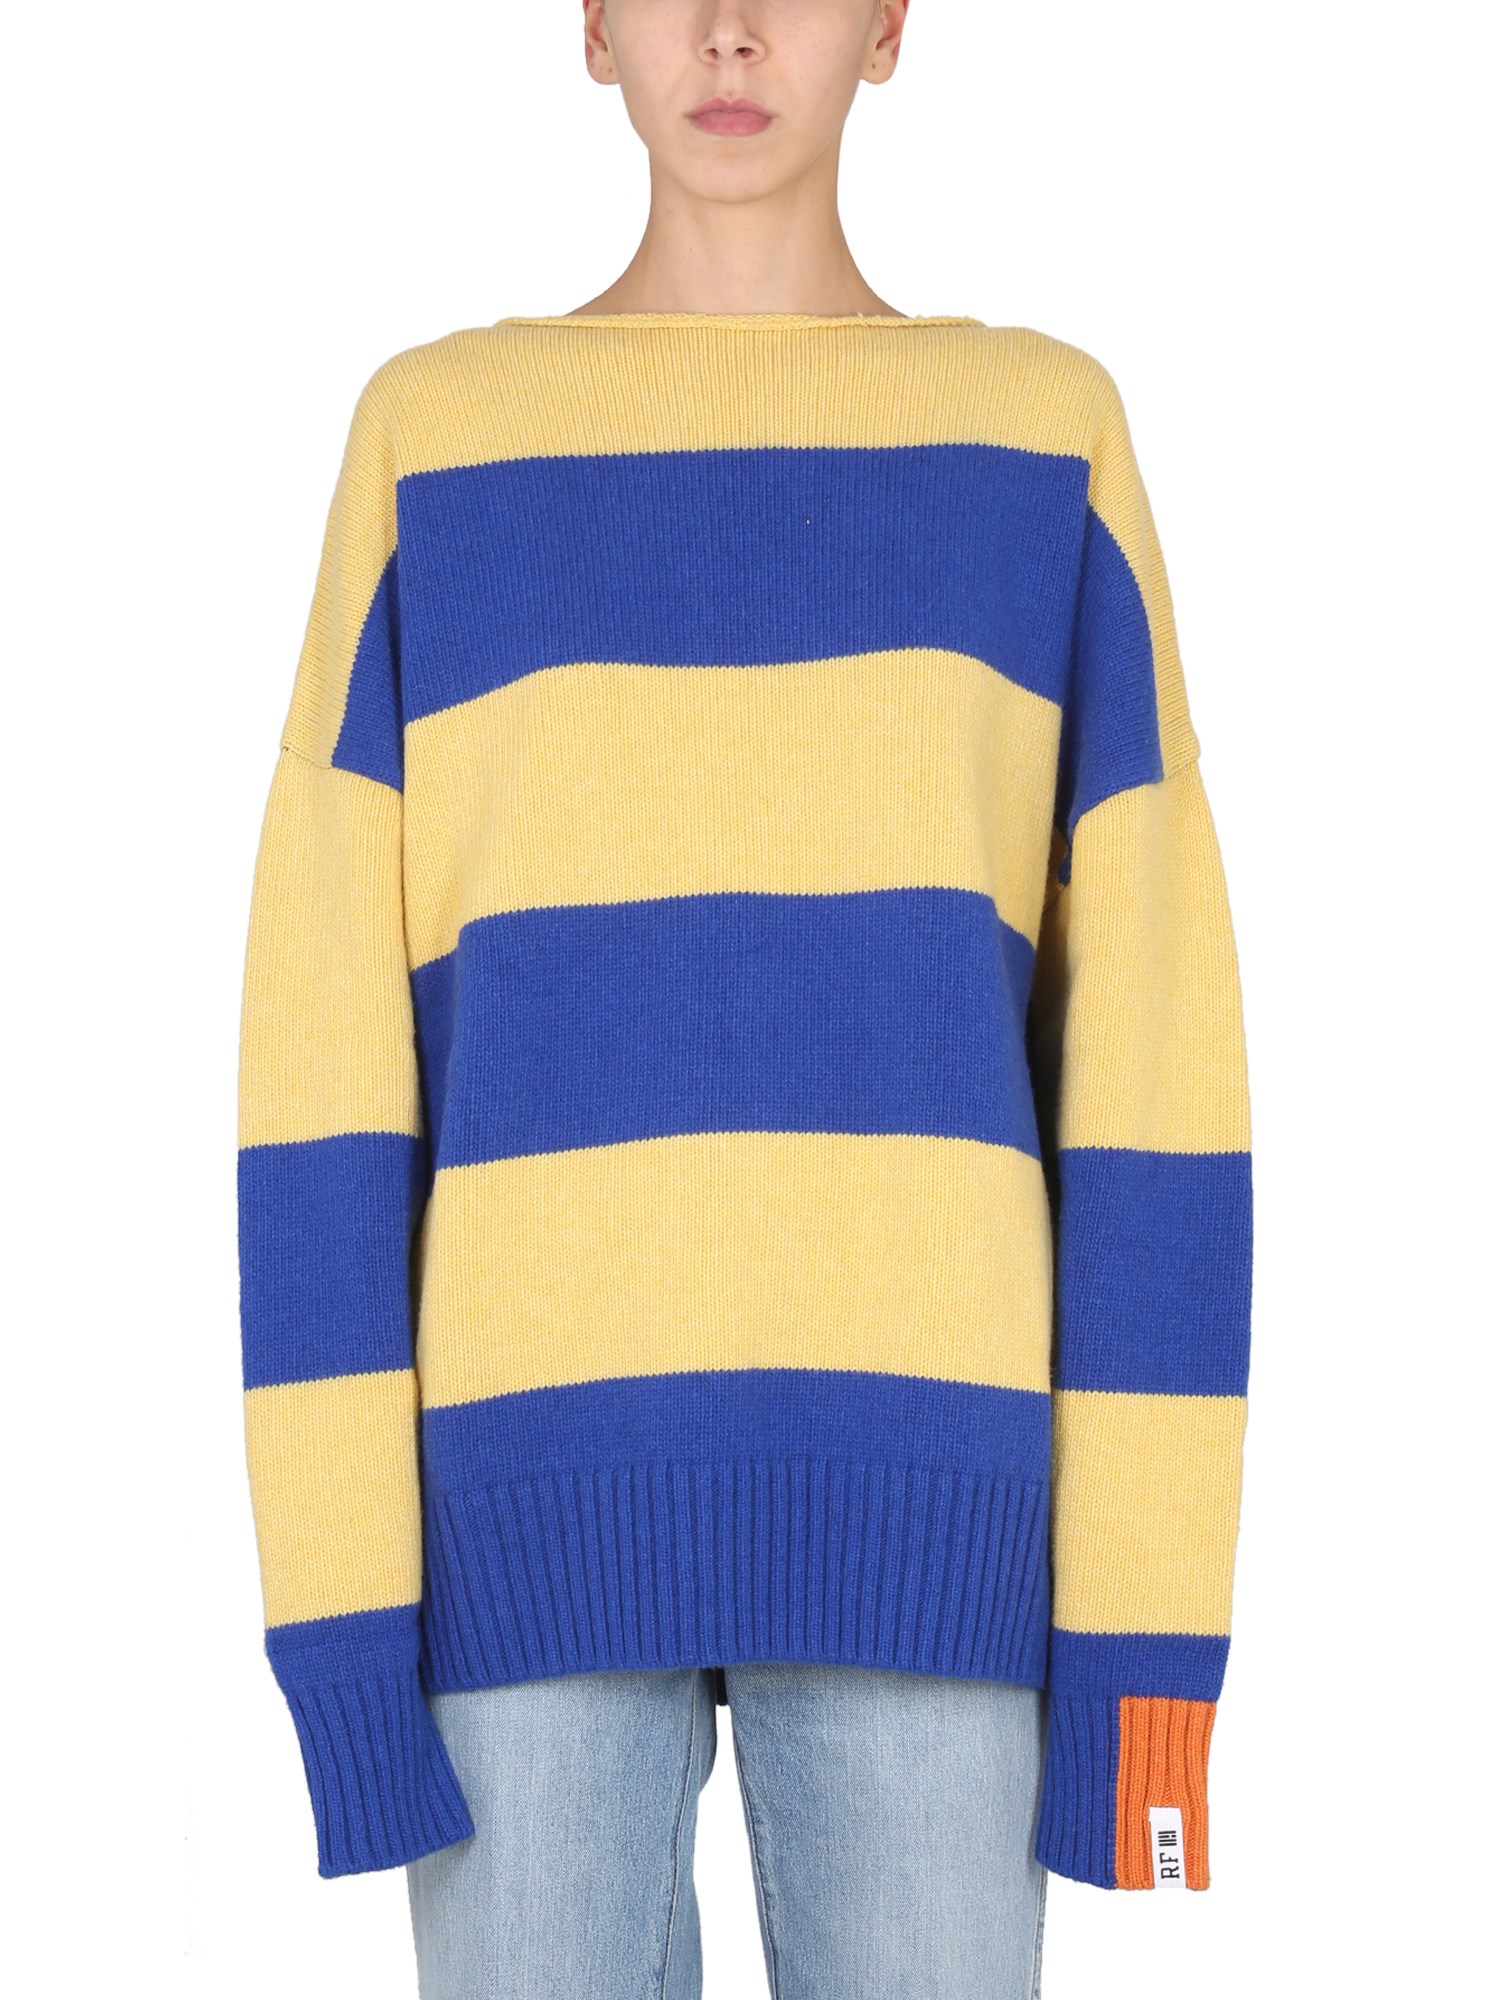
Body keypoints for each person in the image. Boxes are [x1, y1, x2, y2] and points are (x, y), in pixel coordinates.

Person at [234, 2, 1253, 1994]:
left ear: (888, 24)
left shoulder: (1040, 441)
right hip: (515, 1538)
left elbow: (1155, 1082)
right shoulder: (437, 444)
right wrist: (340, 1640)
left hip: (938, 1534)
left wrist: (1147, 1674)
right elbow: (321, 1074)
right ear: (590, 25)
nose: (726, 28)